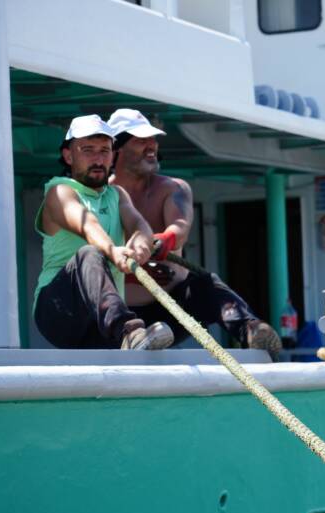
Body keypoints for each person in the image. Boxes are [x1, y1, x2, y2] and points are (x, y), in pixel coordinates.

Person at [107, 109, 281, 356]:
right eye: (140, 140)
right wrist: (137, 272)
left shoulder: (173, 188)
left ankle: (252, 330)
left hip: (173, 308)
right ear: (117, 149)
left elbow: (179, 228)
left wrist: (160, 242)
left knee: (205, 284)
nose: (151, 146)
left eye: (153, 140)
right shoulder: (99, 197)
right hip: (121, 318)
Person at [34, 114, 174, 350]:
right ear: (69, 155)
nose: (98, 159)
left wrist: (140, 245)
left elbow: (140, 226)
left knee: (202, 283)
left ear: (113, 155)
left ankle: (252, 330)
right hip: (57, 314)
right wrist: (113, 251)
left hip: (99, 323)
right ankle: (130, 332)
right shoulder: (59, 191)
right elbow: (87, 224)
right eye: (88, 150)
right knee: (89, 253)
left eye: (104, 151)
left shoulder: (116, 194)